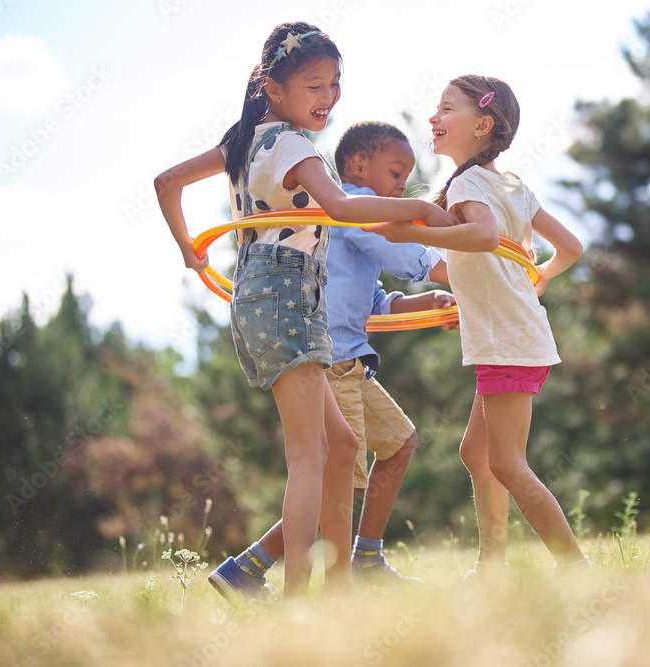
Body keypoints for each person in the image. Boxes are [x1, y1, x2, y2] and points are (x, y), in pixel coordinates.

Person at [154, 22, 458, 603]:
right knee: (309, 455)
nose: (328, 97)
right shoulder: (293, 146)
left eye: (335, 84)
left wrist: (189, 251)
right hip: (288, 300)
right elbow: (344, 207)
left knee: (342, 447)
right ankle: (299, 601)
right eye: (314, 85)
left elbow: (168, 183)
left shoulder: (242, 143)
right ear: (273, 88)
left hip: (268, 298)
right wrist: (423, 207)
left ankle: (328, 583)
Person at [366, 75, 590, 575]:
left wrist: (372, 223)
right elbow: (571, 247)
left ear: (482, 124)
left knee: (507, 463)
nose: (433, 117)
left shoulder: (467, 184)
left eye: (446, 109)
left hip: (507, 341)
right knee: (477, 453)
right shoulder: (512, 186)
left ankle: (575, 566)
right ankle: (492, 566)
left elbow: (484, 237)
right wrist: (542, 279)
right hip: (518, 334)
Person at [239, 121, 455, 583]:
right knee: (343, 479)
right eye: (396, 173)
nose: (402, 186)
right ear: (358, 165)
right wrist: (460, 270)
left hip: (353, 359)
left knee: (398, 443)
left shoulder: (360, 225)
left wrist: (429, 302)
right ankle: (252, 567)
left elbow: (374, 300)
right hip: (331, 359)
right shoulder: (354, 212)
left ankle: (368, 559)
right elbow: (404, 256)